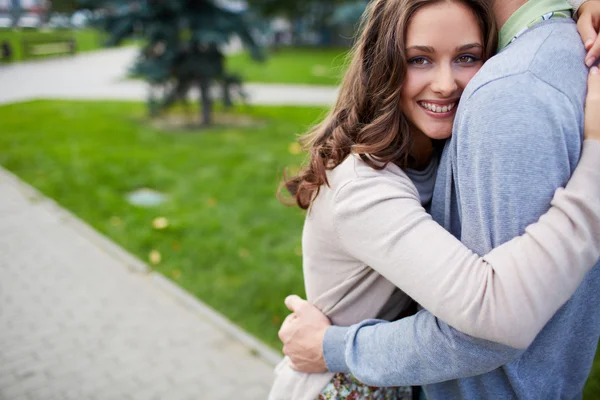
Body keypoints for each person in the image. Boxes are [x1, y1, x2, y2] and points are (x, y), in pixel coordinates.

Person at [274, 0, 600, 399]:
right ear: (385, 64)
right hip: (341, 386)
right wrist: (594, 166)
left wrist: (579, 7)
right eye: (419, 60)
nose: (446, 83)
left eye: (466, 57)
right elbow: (493, 311)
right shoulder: (362, 188)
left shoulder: (434, 145)